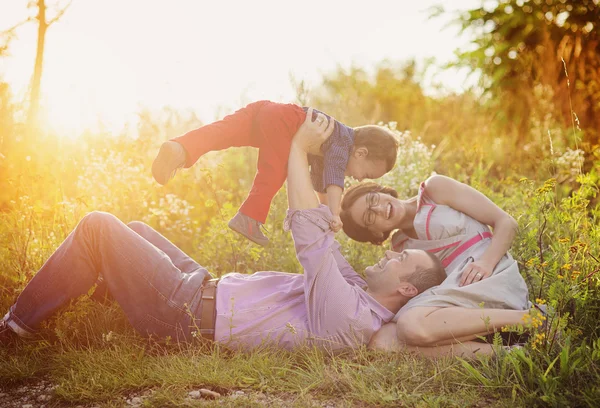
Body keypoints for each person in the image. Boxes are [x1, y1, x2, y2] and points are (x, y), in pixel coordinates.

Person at [0, 110, 443, 353]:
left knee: (98, 227)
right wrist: (320, 181)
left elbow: (311, 237)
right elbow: (322, 229)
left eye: (400, 259)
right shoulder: (357, 292)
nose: (387, 253)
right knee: (134, 229)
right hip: (205, 288)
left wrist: (297, 148)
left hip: (186, 314)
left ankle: (15, 326)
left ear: (405, 289)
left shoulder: (350, 314)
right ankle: (102, 304)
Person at [151, 100, 399, 246]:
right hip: (282, 122)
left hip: (266, 110)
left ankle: (180, 148)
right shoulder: (342, 142)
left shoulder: (331, 143)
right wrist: (335, 213)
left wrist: (325, 214)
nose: (359, 179)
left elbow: (321, 184)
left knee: (222, 133)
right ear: (361, 153)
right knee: (275, 170)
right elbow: (334, 180)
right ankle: (248, 218)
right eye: (366, 174)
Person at [339, 177, 533, 356]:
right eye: (370, 217)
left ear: (383, 191)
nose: (380, 209)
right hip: (454, 298)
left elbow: (506, 222)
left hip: (487, 273)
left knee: (410, 325)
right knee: (382, 340)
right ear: (375, 233)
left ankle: (530, 319)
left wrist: (487, 262)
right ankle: (509, 353)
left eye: (374, 199)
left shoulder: (434, 190)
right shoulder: (400, 247)